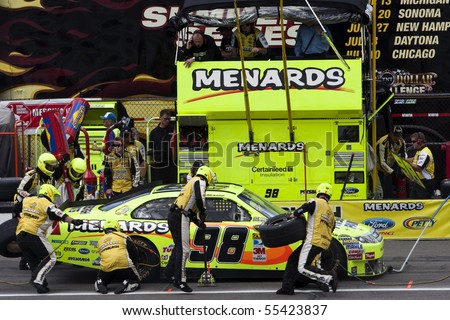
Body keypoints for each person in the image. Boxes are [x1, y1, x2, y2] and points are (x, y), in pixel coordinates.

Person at [15, 184, 83, 293]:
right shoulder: (47, 203)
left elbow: (15, 208)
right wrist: (73, 221)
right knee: (51, 258)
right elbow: (59, 214)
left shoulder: (27, 200)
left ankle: (41, 283)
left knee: (33, 262)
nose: (55, 199)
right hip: (34, 233)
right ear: (49, 193)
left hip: (20, 233)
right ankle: (37, 281)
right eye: (54, 196)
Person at [276, 183, 337, 295]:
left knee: (302, 267)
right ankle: (287, 287)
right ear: (330, 195)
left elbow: (300, 210)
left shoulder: (315, 201)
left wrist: (294, 215)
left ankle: (328, 278)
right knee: (293, 258)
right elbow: (332, 228)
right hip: (323, 243)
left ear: (318, 192)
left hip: (312, 240)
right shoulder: (331, 212)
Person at [165, 165, 215, 293]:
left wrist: (198, 221)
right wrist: (203, 212)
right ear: (208, 176)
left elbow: (188, 206)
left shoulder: (192, 181)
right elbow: (199, 199)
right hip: (180, 216)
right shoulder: (200, 181)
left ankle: (169, 273)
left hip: (176, 214)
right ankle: (180, 280)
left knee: (178, 247)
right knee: (184, 250)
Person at [13, 152, 60, 270]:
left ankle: (30, 260)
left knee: (36, 233)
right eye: (49, 166)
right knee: (28, 233)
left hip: (36, 207)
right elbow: (20, 190)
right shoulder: (32, 175)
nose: (51, 168)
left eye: (52, 166)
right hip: (22, 207)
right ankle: (25, 262)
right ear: (42, 165)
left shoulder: (49, 177)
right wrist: (31, 198)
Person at [95, 220, 141, 294]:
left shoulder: (100, 240)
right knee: (136, 281)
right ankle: (127, 283)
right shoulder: (123, 236)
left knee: (104, 274)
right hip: (124, 265)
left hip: (107, 267)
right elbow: (134, 251)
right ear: (117, 227)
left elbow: (101, 255)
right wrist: (135, 262)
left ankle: (100, 283)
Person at [376, 126, 407, 199]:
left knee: (389, 188)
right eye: (395, 135)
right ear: (391, 134)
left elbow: (404, 157)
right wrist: (392, 172)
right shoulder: (383, 142)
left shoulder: (402, 141)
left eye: (399, 136)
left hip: (390, 166)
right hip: (378, 168)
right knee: (382, 190)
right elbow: (381, 162)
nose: (397, 138)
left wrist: (403, 170)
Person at [149, 109, 177, 184]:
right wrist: (153, 161)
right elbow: (151, 148)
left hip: (171, 163)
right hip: (159, 163)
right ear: (160, 118)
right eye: (165, 119)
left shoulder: (173, 129)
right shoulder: (154, 132)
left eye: (169, 119)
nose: (167, 121)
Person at [406, 132, 435, 199]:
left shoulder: (424, 153)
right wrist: (401, 160)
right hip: (419, 182)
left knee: (422, 205)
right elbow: (413, 159)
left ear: (419, 142)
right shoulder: (420, 151)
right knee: (413, 202)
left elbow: (419, 168)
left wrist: (407, 164)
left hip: (425, 183)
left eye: (413, 141)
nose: (412, 144)